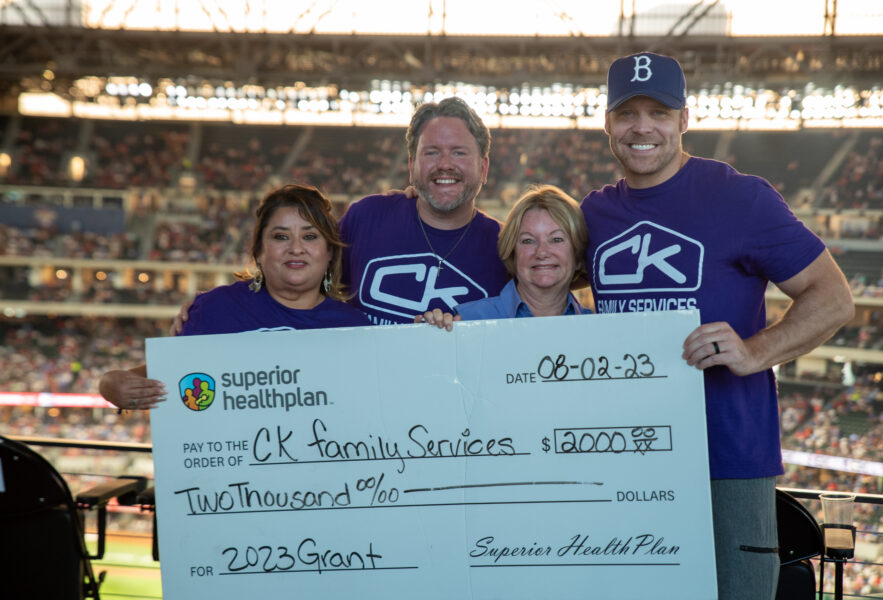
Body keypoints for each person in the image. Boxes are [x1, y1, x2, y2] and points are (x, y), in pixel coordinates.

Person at [581, 52, 855, 600]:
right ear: (608, 124)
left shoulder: (741, 197)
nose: (642, 127)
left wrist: (756, 351)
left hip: (728, 457)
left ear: (684, 120)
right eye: (626, 113)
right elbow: (534, 288)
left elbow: (832, 298)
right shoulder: (594, 213)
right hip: (626, 458)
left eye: (658, 112)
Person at [99, 184, 369, 410]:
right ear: (259, 251)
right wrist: (112, 385)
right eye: (280, 236)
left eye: (310, 236)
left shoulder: (357, 328)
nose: (296, 248)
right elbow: (172, 376)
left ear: (330, 252)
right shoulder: (214, 309)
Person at [338, 97, 509, 325]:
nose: (445, 164)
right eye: (431, 153)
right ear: (411, 166)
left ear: (483, 168)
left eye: (459, 153)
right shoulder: (365, 218)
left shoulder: (506, 247)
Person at [418, 184, 590, 331]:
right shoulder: (467, 321)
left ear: (577, 256)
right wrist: (431, 338)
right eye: (528, 240)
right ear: (512, 254)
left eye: (557, 239)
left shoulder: (597, 328)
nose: (542, 252)